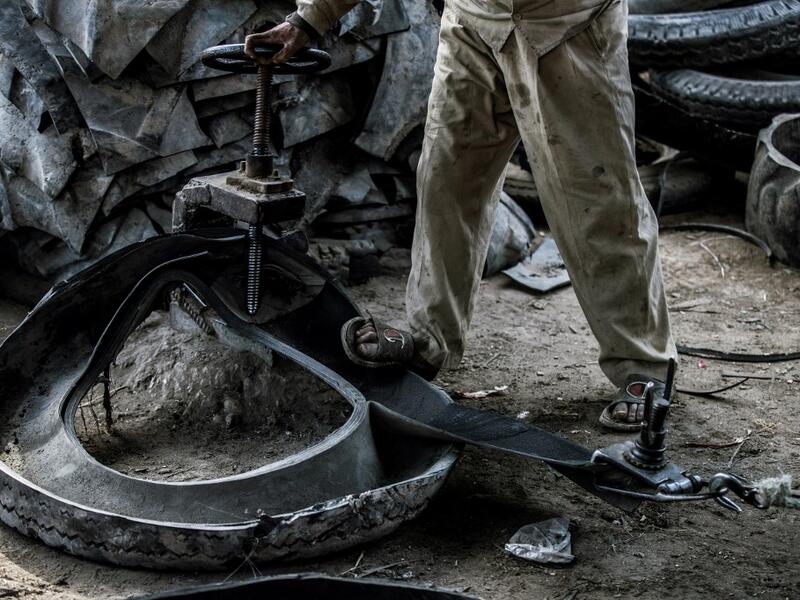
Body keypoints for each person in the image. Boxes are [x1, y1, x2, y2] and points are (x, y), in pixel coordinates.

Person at [245, 0, 677, 431]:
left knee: (597, 199)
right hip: (474, 24)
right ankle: (429, 340)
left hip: (566, 25)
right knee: (445, 183)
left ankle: (644, 364)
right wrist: (310, 19)